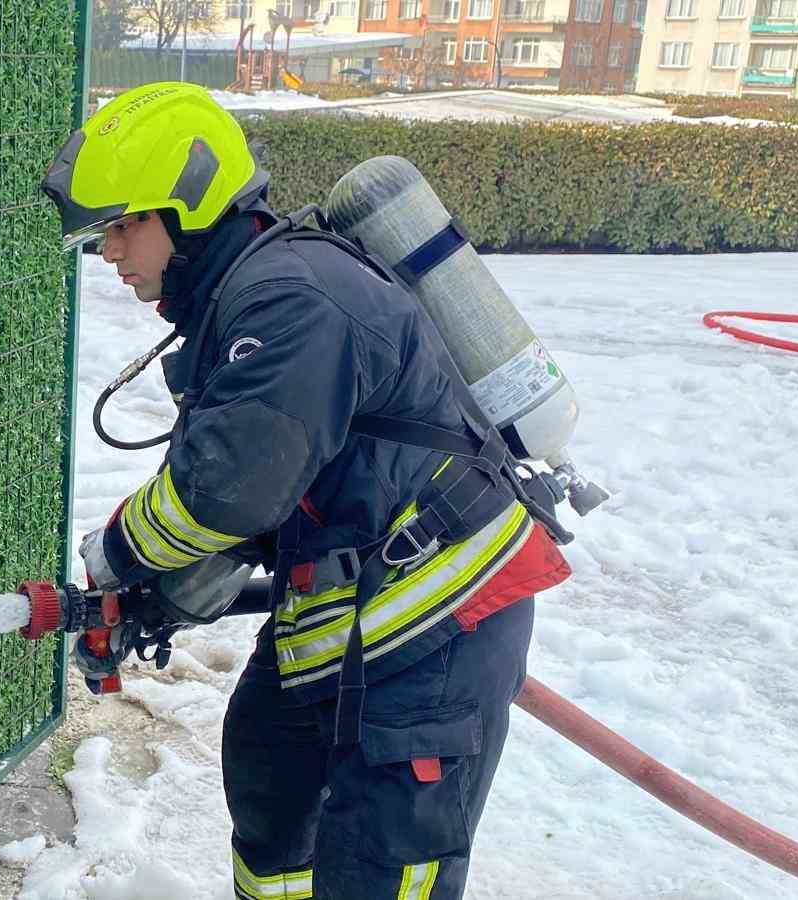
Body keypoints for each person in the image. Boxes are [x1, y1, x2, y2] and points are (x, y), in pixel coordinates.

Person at [39, 82, 573, 900]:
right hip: (356, 603)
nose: (108, 252)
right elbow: (270, 487)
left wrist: (116, 557)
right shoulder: (245, 296)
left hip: (436, 622)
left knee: (380, 863)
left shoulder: (291, 300)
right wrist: (160, 598)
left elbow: (225, 492)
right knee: (269, 770)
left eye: (122, 225)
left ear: (187, 207)